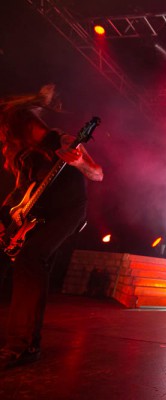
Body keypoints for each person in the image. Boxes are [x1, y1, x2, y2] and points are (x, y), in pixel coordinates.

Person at [0, 85, 103, 369]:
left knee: (31, 259)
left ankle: (23, 346)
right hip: (38, 216)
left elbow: (98, 174)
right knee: (24, 260)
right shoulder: (24, 156)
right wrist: (6, 218)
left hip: (68, 211)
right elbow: (20, 194)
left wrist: (80, 162)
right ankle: (24, 341)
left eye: (4, 132)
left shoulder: (64, 140)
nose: (2, 138)